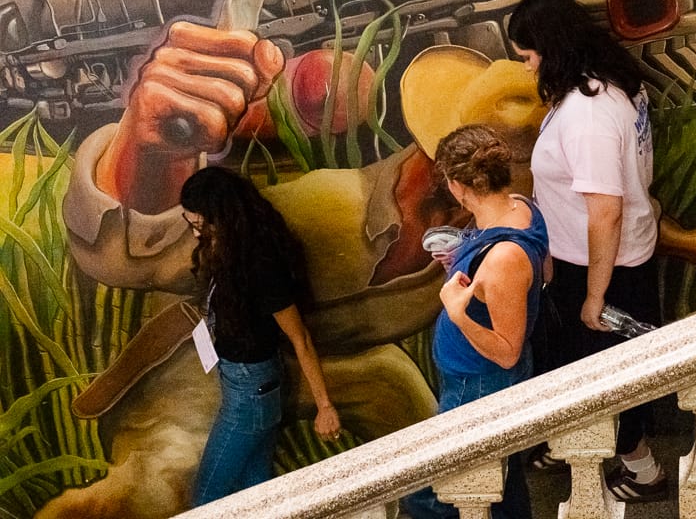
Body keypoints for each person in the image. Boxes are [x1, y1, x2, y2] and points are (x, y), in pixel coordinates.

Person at [50, 27, 546, 519]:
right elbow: (128, 254)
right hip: (216, 372)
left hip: (326, 370)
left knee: (437, 463)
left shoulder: (487, 231)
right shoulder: (327, 209)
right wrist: (150, 151)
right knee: (156, 492)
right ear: (451, 176)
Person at [506, 0, 667, 502]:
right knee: (584, 367)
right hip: (605, 254)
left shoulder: (587, 114)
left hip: (601, 266)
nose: (527, 68)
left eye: (528, 57)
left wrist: (595, 296)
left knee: (608, 373)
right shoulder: (612, 84)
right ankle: (579, 441)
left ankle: (641, 467)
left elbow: (605, 210)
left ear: (552, 49)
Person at [403, 125, 548, 519]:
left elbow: (507, 352)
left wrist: (458, 314)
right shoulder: (522, 206)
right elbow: (545, 270)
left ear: (458, 187)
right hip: (476, 378)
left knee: (424, 495)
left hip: (480, 383)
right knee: (501, 481)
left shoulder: (503, 258)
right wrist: (463, 262)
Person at [178, 166, 341, 506]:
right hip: (244, 382)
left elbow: (301, 339)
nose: (195, 234)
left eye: (200, 225)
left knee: (207, 496)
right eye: (190, 224)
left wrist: (324, 406)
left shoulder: (261, 264)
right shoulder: (229, 246)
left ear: (223, 217)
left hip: (250, 391)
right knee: (257, 490)